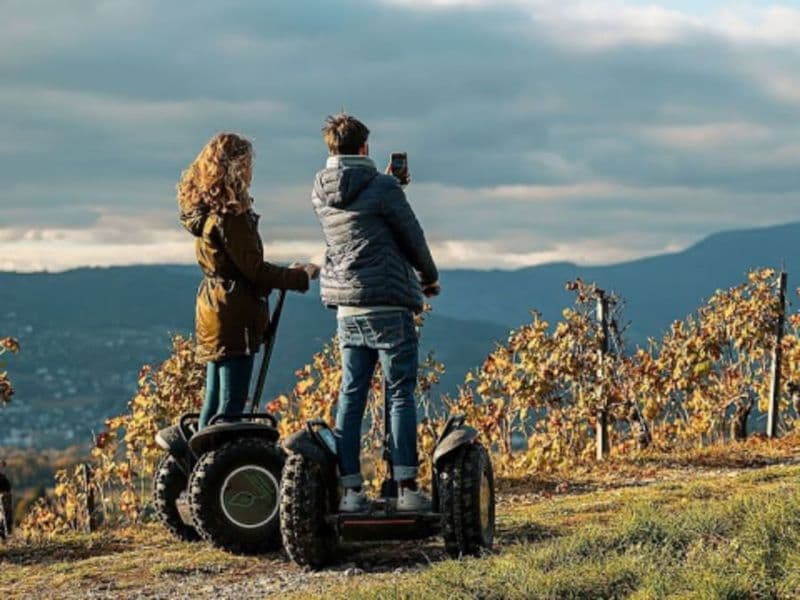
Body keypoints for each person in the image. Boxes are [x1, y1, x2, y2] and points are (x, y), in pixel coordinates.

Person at [312, 114, 440, 512]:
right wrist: (429, 276)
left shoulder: (318, 191)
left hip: (347, 308)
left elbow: (357, 217)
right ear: (365, 147)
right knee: (399, 393)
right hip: (387, 302)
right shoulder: (384, 188)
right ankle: (405, 488)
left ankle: (350, 493)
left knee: (352, 394)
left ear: (330, 147)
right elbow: (410, 235)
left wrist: (387, 186)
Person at [177, 132, 320, 429]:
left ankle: (198, 466)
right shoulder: (232, 215)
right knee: (231, 406)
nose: (251, 170)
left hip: (213, 308)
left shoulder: (205, 213)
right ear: (236, 167)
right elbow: (253, 270)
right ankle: (219, 469)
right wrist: (299, 276)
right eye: (248, 163)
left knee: (213, 401)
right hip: (235, 314)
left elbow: (241, 266)